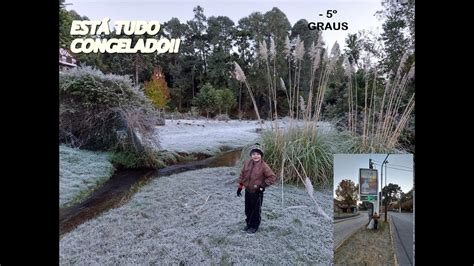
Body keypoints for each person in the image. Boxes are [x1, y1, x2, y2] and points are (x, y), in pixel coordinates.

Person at [236, 143, 276, 234]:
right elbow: (242, 175)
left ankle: (254, 226)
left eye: (258, 154)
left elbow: (272, 177)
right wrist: (240, 187)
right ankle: (248, 224)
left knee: (256, 210)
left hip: (257, 192)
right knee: (248, 209)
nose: (256, 156)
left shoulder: (264, 166)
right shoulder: (247, 163)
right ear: (251, 155)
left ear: (261, 155)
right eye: (254, 154)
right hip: (248, 190)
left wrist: (263, 185)